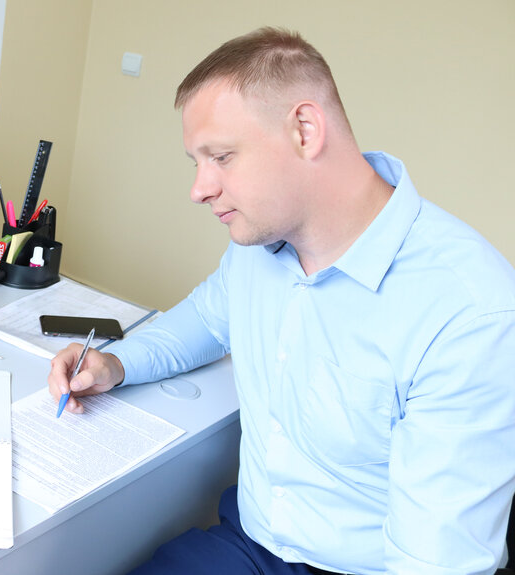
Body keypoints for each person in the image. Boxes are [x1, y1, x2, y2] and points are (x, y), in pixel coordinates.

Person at [48, 27, 515, 575]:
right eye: (197, 162)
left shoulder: (469, 312)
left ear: (305, 130)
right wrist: (115, 364)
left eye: (221, 157)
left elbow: (434, 563)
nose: (199, 189)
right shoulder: (259, 244)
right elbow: (206, 319)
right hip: (252, 541)